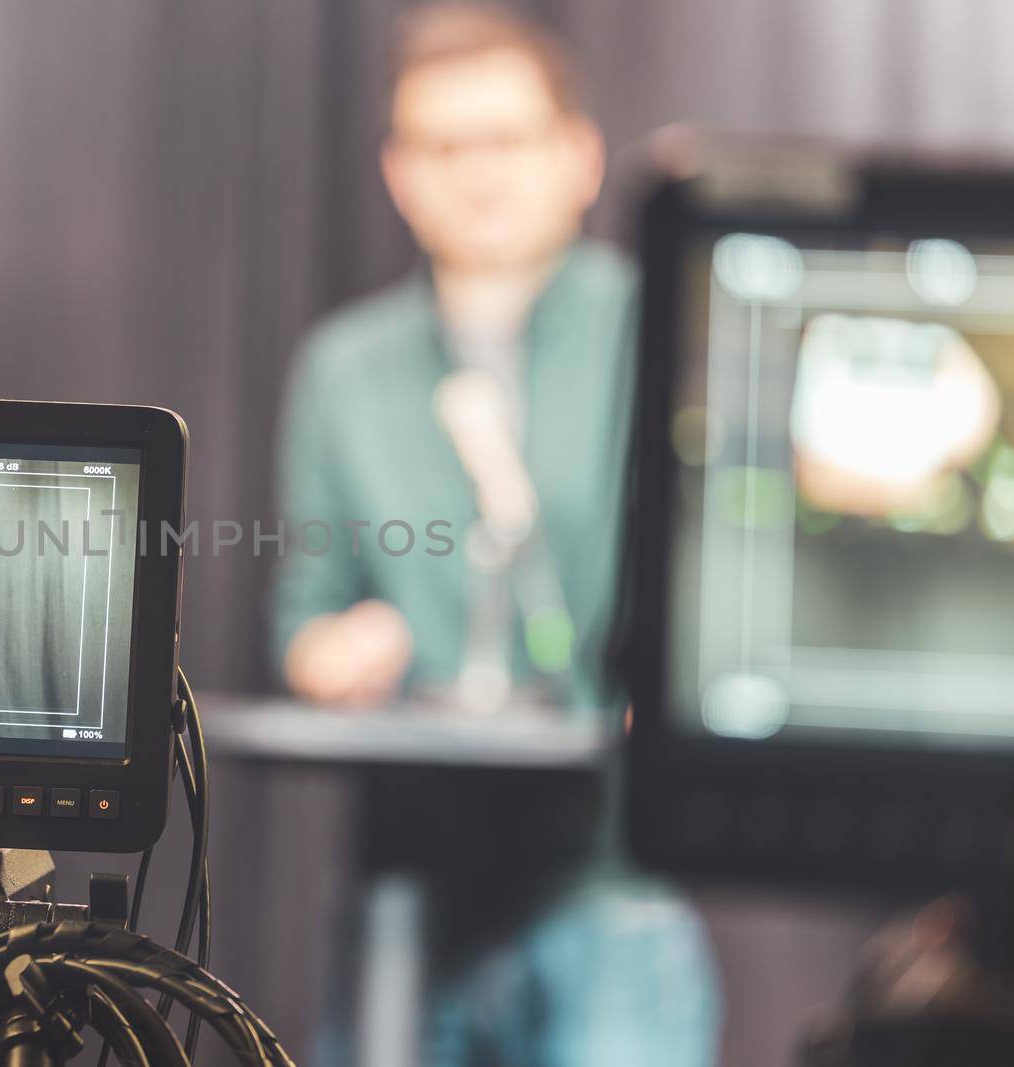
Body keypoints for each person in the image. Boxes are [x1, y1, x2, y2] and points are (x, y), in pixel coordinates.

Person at [271, 4, 719, 1064]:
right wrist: (334, 652)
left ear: (577, 156)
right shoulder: (343, 370)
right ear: (398, 173)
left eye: (505, 141)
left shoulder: (667, 330)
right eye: (443, 146)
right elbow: (302, 614)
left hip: (614, 891)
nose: (477, 174)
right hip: (407, 893)